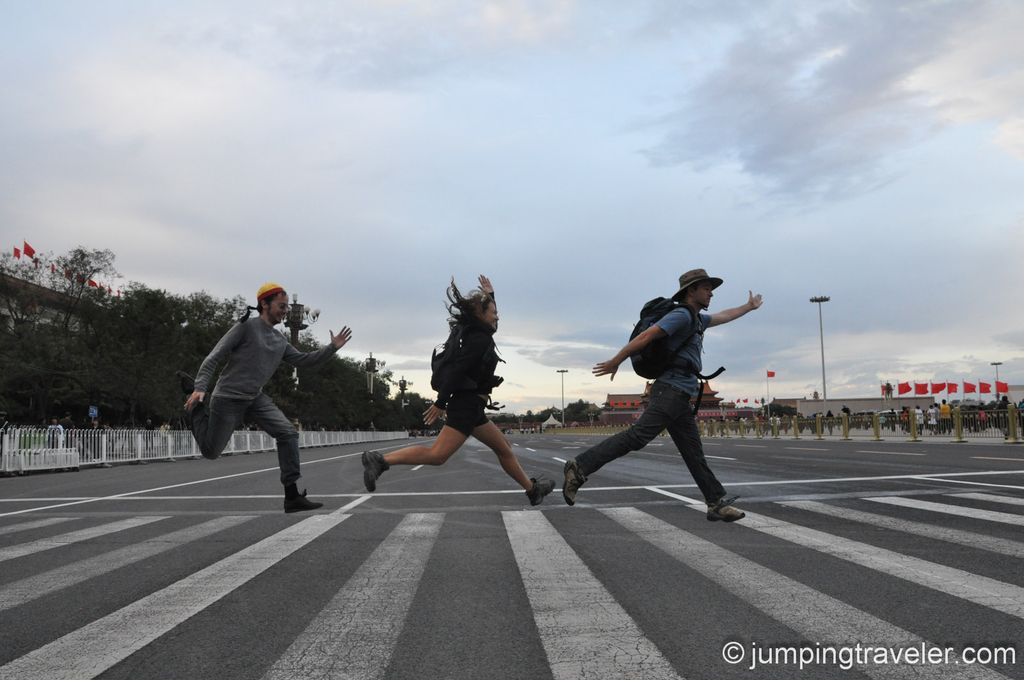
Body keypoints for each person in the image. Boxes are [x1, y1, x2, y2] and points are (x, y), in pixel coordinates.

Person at [562, 268, 761, 521]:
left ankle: (715, 502)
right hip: (670, 390)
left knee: (693, 452)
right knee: (638, 436)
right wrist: (616, 361)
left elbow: (724, 316)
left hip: (681, 395)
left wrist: (748, 307)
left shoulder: (698, 319)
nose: (711, 293)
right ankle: (579, 466)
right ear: (691, 291)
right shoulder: (682, 316)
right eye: (706, 288)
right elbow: (647, 336)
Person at [361, 275, 554, 505]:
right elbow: (458, 370)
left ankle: (533, 490)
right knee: (437, 455)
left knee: (504, 448)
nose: (497, 316)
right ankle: (380, 460)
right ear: (480, 314)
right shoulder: (479, 339)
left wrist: (491, 297)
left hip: (473, 407)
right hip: (466, 405)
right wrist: (440, 402)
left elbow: (487, 330)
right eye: (493, 312)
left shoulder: (474, 331)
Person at [178, 282, 352, 513]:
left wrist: (332, 347)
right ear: (264, 304)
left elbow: (305, 361)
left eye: (287, 307)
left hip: (254, 399)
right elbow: (214, 356)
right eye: (281, 306)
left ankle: (292, 496)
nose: (285, 311)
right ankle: (195, 409)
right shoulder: (245, 328)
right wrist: (200, 387)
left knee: (288, 433)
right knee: (211, 452)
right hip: (228, 398)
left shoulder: (280, 340)